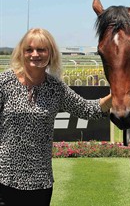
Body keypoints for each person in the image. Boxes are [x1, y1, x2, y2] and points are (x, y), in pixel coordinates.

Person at [0, 28, 112, 206]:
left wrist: (117, 95)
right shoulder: (4, 83)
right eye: (29, 49)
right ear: (21, 53)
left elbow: (88, 109)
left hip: (40, 182)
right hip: (4, 180)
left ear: (50, 53)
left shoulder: (55, 88)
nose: (35, 54)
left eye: (41, 50)